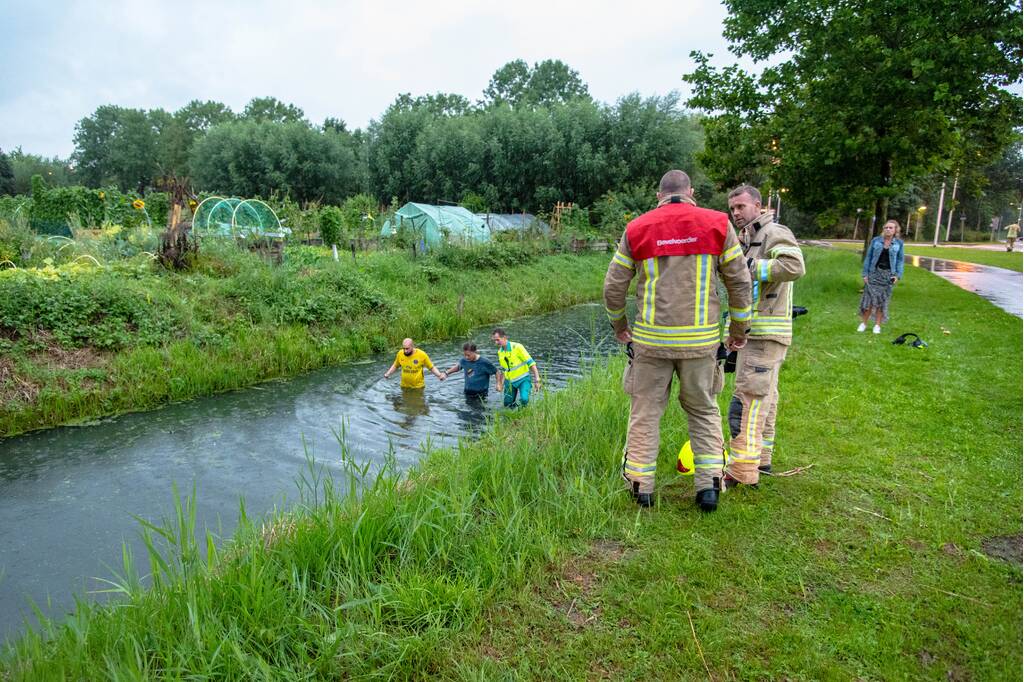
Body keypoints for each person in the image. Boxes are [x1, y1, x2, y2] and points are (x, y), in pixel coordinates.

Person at [604, 169, 751, 511]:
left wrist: (620, 327)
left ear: (659, 196)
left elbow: (613, 287)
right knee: (703, 411)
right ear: (691, 192)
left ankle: (641, 487)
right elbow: (740, 284)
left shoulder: (637, 228)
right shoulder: (717, 224)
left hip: (650, 344)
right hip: (700, 345)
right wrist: (737, 332)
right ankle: (709, 488)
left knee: (645, 413)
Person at [725, 186, 805, 487]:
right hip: (758, 334)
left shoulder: (774, 232)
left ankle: (743, 471)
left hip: (764, 334)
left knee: (748, 399)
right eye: (732, 208)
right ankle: (762, 459)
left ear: (758, 205)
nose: (736, 213)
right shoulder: (750, 236)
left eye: (741, 206)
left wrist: (750, 266)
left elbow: (795, 266)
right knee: (766, 397)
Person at [858, 219, 904, 334]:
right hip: (874, 273)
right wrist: (865, 274)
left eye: (891, 228)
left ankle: (877, 326)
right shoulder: (876, 241)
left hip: (888, 275)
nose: (888, 229)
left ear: (895, 230)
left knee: (882, 301)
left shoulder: (899, 243)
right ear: (883, 229)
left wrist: (898, 275)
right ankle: (863, 323)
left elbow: (900, 260)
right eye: (886, 227)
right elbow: (868, 257)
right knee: (868, 300)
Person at [491, 329, 541, 407]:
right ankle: (514, 416)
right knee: (507, 404)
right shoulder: (500, 352)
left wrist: (537, 380)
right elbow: (504, 370)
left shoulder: (517, 347)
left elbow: (531, 363)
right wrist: (500, 384)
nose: (496, 343)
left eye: (498, 340)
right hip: (510, 381)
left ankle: (523, 414)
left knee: (524, 399)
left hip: (523, 379)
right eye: (494, 341)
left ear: (504, 337)